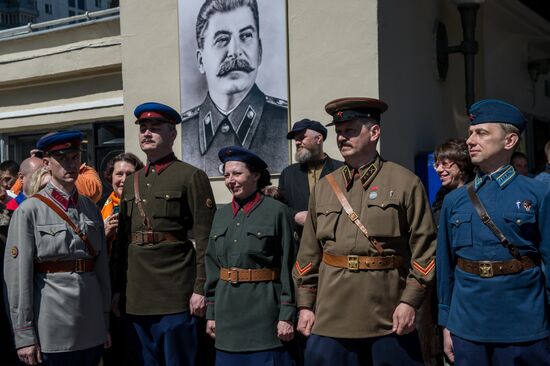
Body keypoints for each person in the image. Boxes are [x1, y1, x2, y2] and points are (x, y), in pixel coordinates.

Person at [292, 97, 436, 366]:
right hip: (330, 315)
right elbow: (309, 253)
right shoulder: (325, 187)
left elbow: (425, 249)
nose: (342, 138)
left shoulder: (404, 182)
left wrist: (410, 301)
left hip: (388, 313)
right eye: (339, 132)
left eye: (350, 130)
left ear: (375, 132)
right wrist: (304, 305)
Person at [437, 99, 550, 365]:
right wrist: (446, 323)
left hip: (524, 324)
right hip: (467, 325)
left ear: (509, 141)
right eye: (470, 133)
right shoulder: (454, 200)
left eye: (481, 133)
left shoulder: (538, 193)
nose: (470, 140)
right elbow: (446, 268)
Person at [114, 102, 216, 366]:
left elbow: (206, 238)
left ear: (172, 134)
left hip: (175, 294)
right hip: (136, 295)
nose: (147, 133)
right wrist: (117, 290)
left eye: (155, 128)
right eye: (143, 128)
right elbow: (121, 242)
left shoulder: (190, 176)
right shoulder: (132, 182)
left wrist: (201, 287)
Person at [3, 130, 111, 366]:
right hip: (53, 324)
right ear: (46, 163)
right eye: (62, 159)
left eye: (74, 157)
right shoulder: (29, 210)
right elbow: (18, 277)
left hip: (91, 321)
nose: (70, 165)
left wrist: (104, 321)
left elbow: (102, 269)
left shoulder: (90, 209)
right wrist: (23, 335)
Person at [204, 146, 296, 365]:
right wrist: (211, 312)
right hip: (227, 320)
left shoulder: (277, 211)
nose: (230, 180)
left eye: (237, 173)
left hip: (265, 319)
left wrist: (287, 314)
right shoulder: (221, 215)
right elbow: (212, 265)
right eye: (226, 175)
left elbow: (289, 265)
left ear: (255, 175)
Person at [182, 0, 288, 176]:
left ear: (259, 51)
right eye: (222, 39)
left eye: (246, 36)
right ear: (201, 61)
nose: (235, 51)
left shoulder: (285, 124)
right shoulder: (182, 132)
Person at [279, 119, 343, 237]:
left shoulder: (342, 169)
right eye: (296, 139)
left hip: (335, 242)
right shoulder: (288, 174)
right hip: (299, 243)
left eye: (302, 138)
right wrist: (295, 215)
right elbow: (279, 207)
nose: (297, 142)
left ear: (318, 139)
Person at [431, 138, 475, 224]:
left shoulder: (476, 194)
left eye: (445, 164)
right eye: (437, 165)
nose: (438, 170)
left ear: (462, 166)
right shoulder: (441, 195)